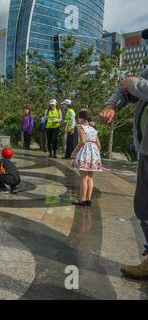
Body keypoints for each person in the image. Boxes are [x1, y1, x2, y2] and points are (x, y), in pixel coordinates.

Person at [100, 28, 148, 279]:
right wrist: (112, 104)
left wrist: (135, 84)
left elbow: (132, 85)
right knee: (145, 208)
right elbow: (125, 90)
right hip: (146, 150)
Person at [70, 109, 102, 206]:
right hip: (94, 154)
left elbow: (82, 141)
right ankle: (88, 199)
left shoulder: (81, 128)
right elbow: (99, 145)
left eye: (78, 118)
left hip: (85, 153)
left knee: (83, 178)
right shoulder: (93, 129)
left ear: (82, 119)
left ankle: (82, 199)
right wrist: (95, 154)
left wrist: (74, 152)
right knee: (90, 178)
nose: (77, 120)